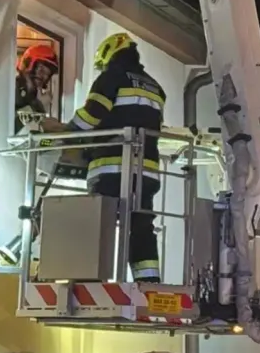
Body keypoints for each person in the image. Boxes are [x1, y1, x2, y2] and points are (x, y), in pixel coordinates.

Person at [43, 31, 167, 282]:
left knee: (98, 224)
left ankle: (89, 281)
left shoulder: (112, 77)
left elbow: (91, 115)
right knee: (141, 228)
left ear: (110, 54)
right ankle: (149, 283)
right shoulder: (155, 86)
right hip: (146, 172)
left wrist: (67, 133)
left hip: (112, 169)